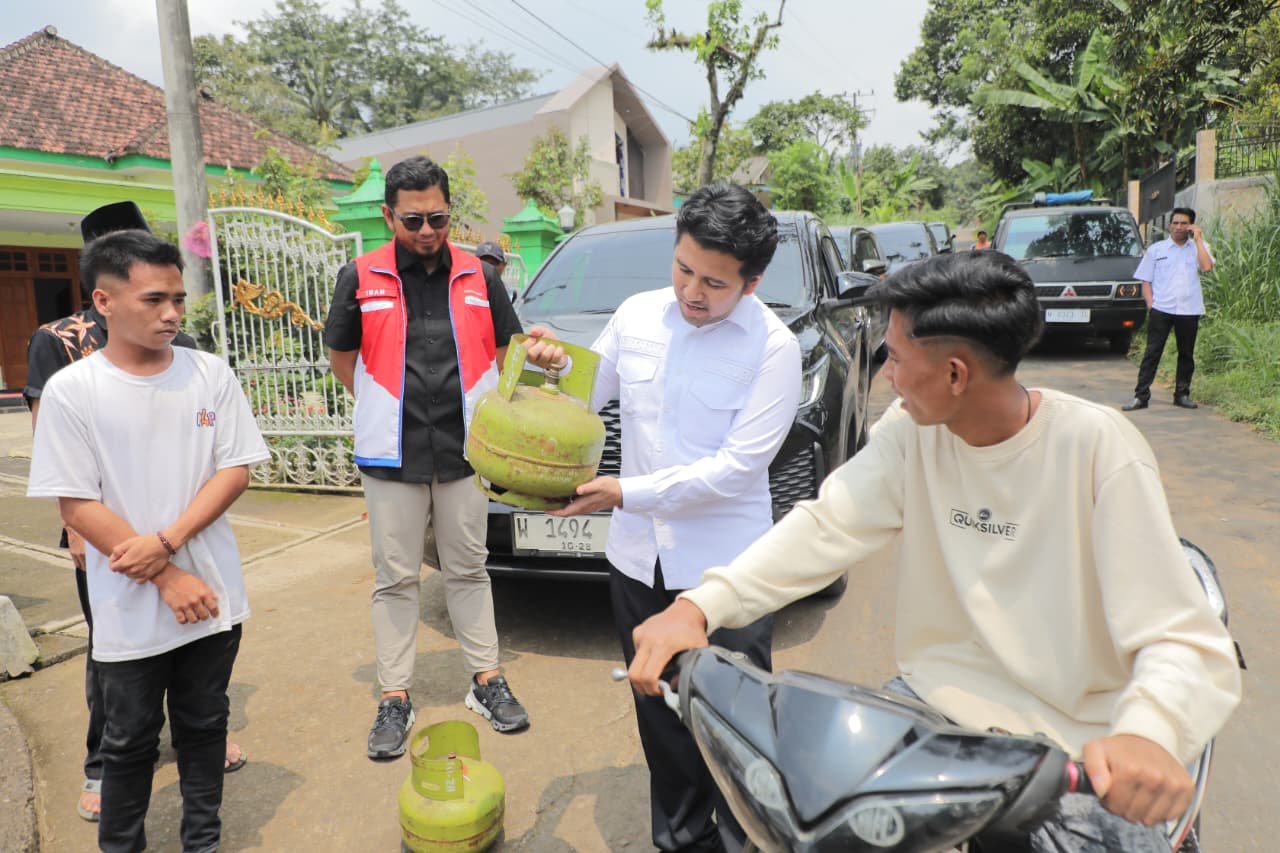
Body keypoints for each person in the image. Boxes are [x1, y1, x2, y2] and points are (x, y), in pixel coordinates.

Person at [627, 251, 1242, 851]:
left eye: (893, 358)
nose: (886, 376)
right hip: (937, 704)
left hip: (1082, 740)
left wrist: (1149, 734)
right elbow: (825, 526)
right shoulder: (909, 433)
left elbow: (1180, 636)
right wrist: (701, 606)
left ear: (955, 374)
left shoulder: (1097, 447)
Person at [526, 181, 802, 852]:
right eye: (683, 268)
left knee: (736, 726)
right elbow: (584, 395)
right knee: (660, 715)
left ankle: (744, 840)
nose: (692, 291)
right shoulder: (637, 316)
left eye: (714, 281)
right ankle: (680, 839)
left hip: (726, 572)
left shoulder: (773, 347)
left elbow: (737, 468)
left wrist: (627, 491)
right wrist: (551, 365)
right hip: (637, 561)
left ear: (753, 279)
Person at [27, 229, 269, 853]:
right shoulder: (73, 392)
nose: (171, 314)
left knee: (205, 724)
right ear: (104, 303)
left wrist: (167, 542)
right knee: (129, 741)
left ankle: (202, 841)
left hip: (214, 599)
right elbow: (76, 502)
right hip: (128, 608)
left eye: (179, 300)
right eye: (154, 299)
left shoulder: (208, 374)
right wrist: (165, 574)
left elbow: (235, 467)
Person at [324, 155, 530, 760]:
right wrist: (383, 406)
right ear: (389, 215)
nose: (426, 231)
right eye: (412, 219)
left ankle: (486, 680)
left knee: (468, 567)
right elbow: (343, 358)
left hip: (466, 450)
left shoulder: (478, 275)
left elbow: (503, 348)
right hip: (392, 454)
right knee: (396, 578)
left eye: (437, 217)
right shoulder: (358, 276)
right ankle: (394, 695)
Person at [1123, 207, 1214, 411]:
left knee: (1186, 354)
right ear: (1169, 225)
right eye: (1175, 223)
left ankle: (1182, 394)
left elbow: (1207, 267)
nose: (1178, 227)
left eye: (1184, 223)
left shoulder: (1200, 247)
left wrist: (1199, 240)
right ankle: (1141, 396)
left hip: (1189, 310)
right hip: (1162, 310)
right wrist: (1151, 304)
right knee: (1152, 352)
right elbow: (1145, 279)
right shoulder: (1157, 250)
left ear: (1191, 226)